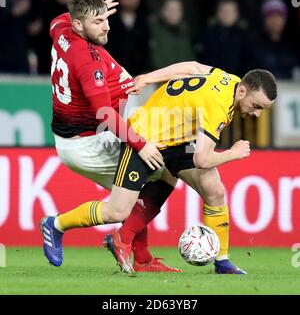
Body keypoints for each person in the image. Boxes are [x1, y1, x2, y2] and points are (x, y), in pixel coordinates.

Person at [40, 0, 203, 272]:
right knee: (135, 196)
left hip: (85, 135)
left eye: (105, 19)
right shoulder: (89, 63)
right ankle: (56, 224)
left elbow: (59, 17)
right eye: (98, 22)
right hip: (90, 141)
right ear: (79, 25)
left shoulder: (62, 27)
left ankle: (141, 259)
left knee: (143, 188)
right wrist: (141, 144)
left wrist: (94, 9)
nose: (107, 26)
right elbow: (104, 114)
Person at [102, 66, 277, 275]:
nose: (257, 114)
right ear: (242, 91)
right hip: (146, 136)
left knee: (213, 189)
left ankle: (222, 261)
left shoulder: (228, 79)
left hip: (176, 138)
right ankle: (58, 224)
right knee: (117, 210)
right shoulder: (218, 106)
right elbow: (202, 159)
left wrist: (148, 77)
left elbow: (191, 66)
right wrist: (233, 153)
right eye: (257, 106)